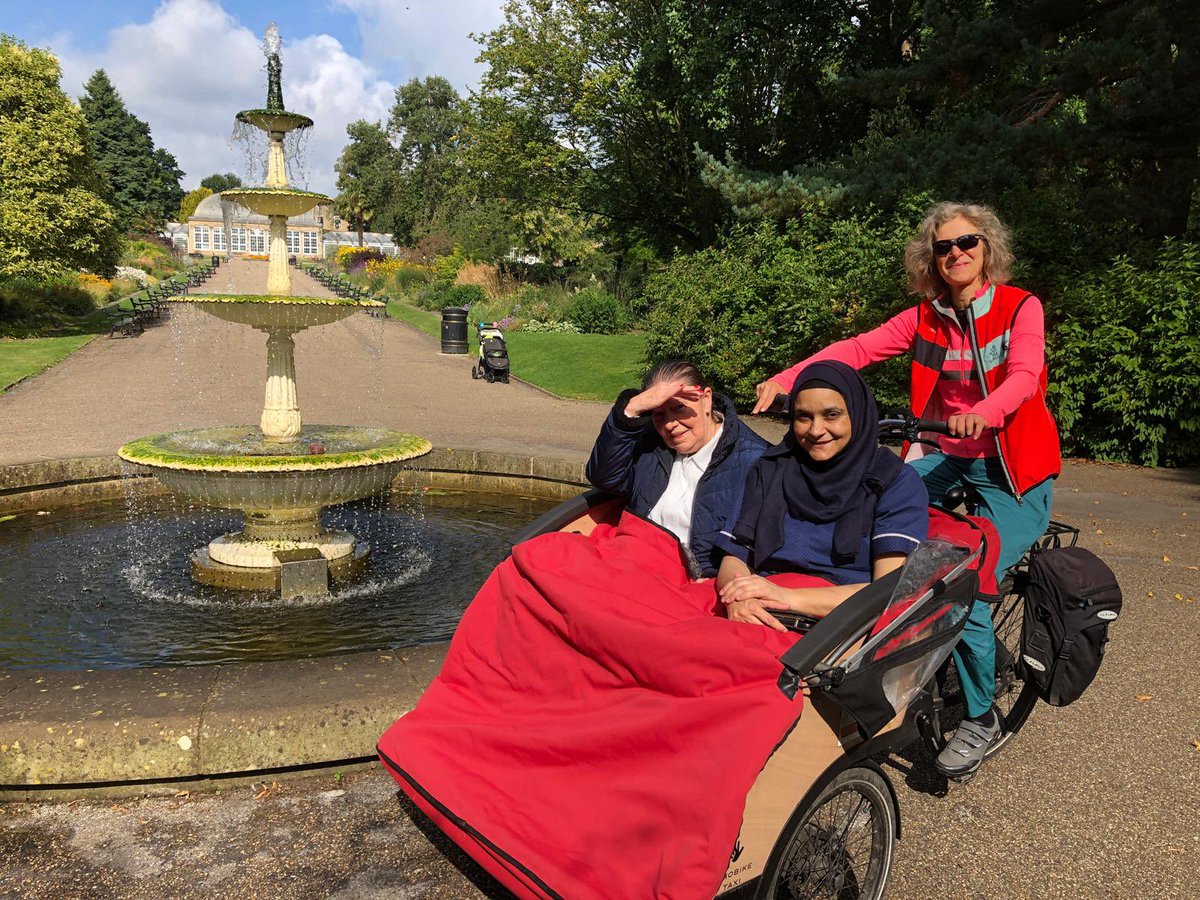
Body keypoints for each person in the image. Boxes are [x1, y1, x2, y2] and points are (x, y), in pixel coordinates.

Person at [752, 201, 1061, 776]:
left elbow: (1024, 374)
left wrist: (987, 413)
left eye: (967, 242)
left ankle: (979, 715)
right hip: (943, 455)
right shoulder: (925, 316)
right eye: (943, 247)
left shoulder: (1022, 307)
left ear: (987, 248)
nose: (957, 254)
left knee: (957, 582)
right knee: (869, 521)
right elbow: (857, 350)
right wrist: (791, 378)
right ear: (931, 258)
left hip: (1010, 469)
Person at [717, 360, 929, 628]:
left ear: (857, 413)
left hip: (842, 621)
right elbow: (735, 555)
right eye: (803, 416)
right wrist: (737, 596)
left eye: (831, 415)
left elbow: (889, 590)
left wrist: (785, 598)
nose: (816, 430)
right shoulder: (771, 468)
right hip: (758, 608)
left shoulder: (894, 482)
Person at [586, 359, 769, 577]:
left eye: (679, 408)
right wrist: (629, 412)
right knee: (547, 555)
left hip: (698, 582)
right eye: (659, 414)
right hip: (633, 562)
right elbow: (604, 477)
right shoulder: (651, 444)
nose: (670, 424)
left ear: (706, 399)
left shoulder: (757, 460)